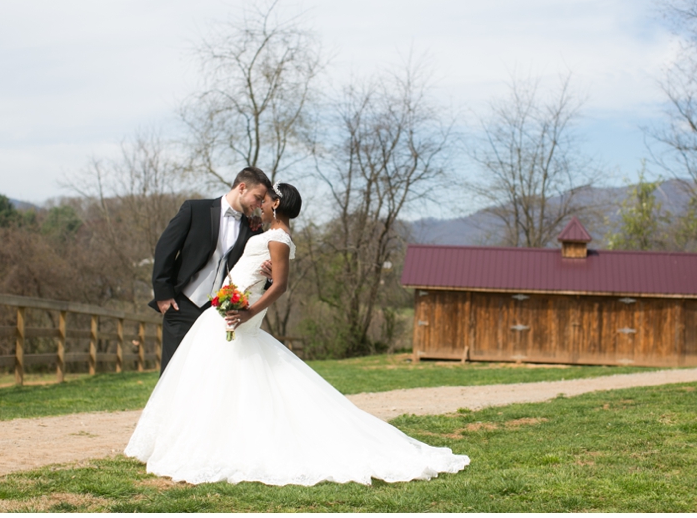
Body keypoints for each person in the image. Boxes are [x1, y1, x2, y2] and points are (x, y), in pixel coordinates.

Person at [125, 182, 469, 486]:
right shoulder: (267, 232)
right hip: (223, 307)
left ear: (276, 203)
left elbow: (281, 285)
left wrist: (249, 310)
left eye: (267, 198)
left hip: (238, 313)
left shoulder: (279, 238)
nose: (261, 202)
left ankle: (212, 444)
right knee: (208, 377)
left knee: (220, 375)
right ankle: (187, 438)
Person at [149, 166, 272, 374]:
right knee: (173, 372)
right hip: (182, 305)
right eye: (258, 198)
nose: (260, 205)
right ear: (242, 188)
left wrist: (268, 276)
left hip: (218, 312)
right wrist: (163, 294)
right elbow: (165, 248)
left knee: (209, 373)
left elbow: (253, 267)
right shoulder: (194, 210)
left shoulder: (253, 228)